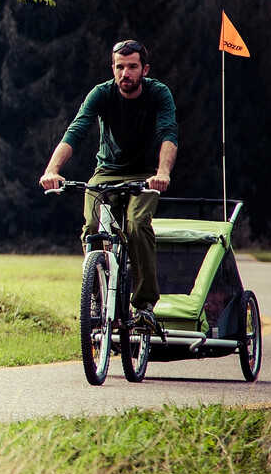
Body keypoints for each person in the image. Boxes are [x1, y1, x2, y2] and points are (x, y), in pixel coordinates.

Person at [39, 40, 178, 330]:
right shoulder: (101, 94)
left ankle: (144, 306)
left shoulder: (158, 93)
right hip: (106, 173)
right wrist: (52, 169)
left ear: (145, 69)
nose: (125, 73)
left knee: (137, 224)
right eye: (119, 67)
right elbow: (76, 131)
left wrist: (162, 173)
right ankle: (95, 296)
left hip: (144, 175)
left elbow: (168, 133)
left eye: (132, 67)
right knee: (92, 228)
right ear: (112, 68)